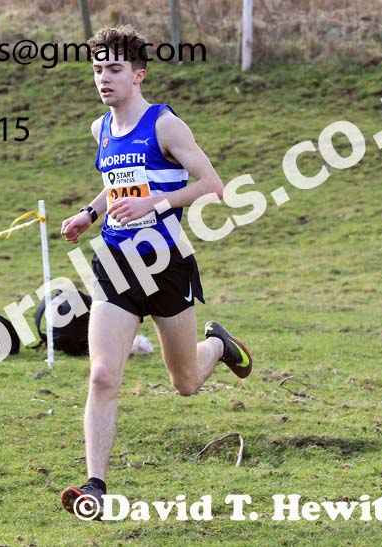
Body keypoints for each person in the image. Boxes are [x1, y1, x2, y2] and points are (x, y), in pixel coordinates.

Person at [59, 26, 254, 519]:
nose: (104, 78)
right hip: (115, 262)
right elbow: (115, 182)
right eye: (98, 69)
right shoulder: (100, 129)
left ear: (138, 74)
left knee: (185, 383)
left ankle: (218, 346)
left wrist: (156, 201)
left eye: (114, 69)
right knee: (102, 376)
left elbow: (213, 184)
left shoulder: (165, 125)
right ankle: (95, 486)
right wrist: (90, 212)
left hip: (166, 264)